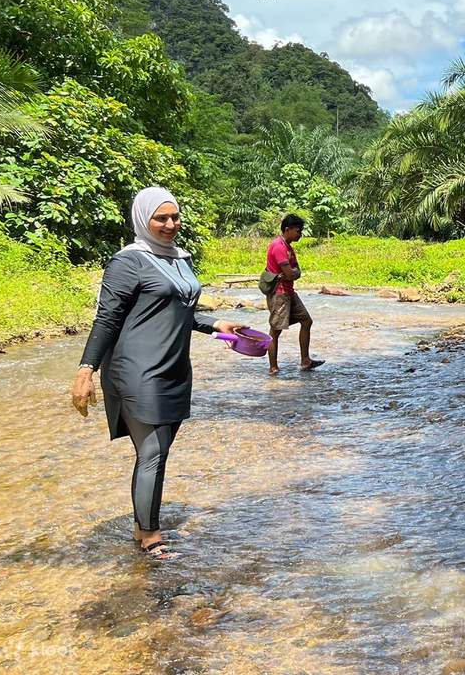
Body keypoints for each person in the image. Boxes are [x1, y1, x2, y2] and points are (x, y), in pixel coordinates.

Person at [70, 187, 248, 561]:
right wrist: (86, 369)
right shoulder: (128, 262)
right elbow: (107, 318)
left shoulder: (179, 259)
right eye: (161, 218)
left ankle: (140, 524)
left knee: (157, 453)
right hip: (137, 369)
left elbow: (182, 310)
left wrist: (218, 325)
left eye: (175, 217)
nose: (170, 225)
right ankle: (150, 534)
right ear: (143, 220)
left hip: (174, 368)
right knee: (151, 452)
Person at [265, 213, 324, 375]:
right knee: (275, 330)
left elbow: (296, 272)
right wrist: (293, 272)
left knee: (306, 320)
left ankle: (305, 360)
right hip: (279, 294)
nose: (300, 234)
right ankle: (273, 367)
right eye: (298, 231)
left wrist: (294, 272)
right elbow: (292, 273)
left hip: (289, 292)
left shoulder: (288, 247)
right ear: (287, 229)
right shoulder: (278, 247)